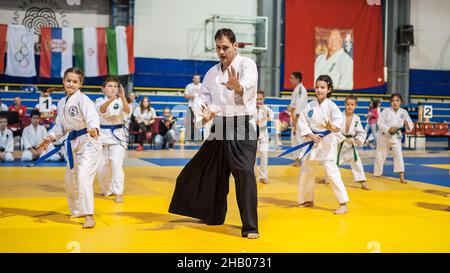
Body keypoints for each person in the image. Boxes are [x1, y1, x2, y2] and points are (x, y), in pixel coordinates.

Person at [169, 28, 260, 239]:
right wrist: (205, 112)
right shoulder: (211, 73)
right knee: (206, 171)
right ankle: (214, 214)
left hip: (242, 125)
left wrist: (238, 86)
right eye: (218, 47)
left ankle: (250, 226)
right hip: (220, 125)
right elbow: (204, 99)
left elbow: (248, 86)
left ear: (235, 46)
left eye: (225, 47)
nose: (221, 51)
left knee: (244, 173)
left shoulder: (247, 65)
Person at [36, 67, 101, 229]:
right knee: (69, 180)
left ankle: (89, 215)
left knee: (83, 177)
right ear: (63, 82)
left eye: (75, 82)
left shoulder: (83, 100)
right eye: (68, 81)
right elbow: (60, 126)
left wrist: (93, 128)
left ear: (80, 84)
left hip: (89, 142)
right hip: (73, 142)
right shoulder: (62, 102)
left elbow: (92, 117)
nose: (71, 84)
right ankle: (77, 209)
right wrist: (50, 137)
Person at [296, 75, 349, 214]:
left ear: (329, 89)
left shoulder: (332, 106)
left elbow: (338, 125)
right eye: (317, 87)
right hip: (312, 140)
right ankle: (307, 199)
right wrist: (310, 134)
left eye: (323, 87)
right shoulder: (309, 105)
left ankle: (343, 203)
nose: (319, 90)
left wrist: (332, 126)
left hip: (327, 141)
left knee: (331, 172)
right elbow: (302, 121)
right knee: (307, 170)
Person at [95, 76, 130, 203]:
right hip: (102, 136)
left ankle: (118, 192)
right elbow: (102, 110)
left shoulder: (121, 101)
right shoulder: (99, 100)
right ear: (103, 89)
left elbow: (127, 110)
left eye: (115, 86)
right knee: (102, 166)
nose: (113, 88)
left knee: (116, 164)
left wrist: (123, 97)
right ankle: (107, 190)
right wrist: (112, 99)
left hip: (118, 135)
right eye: (110, 86)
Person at [373, 93, 413, 184]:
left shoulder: (404, 112)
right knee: (380, 155)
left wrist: (408, 125)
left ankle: (402, 177)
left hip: (396, 137)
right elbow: (379, 123)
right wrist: (388, 129)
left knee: (399, 155)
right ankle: (376, 174)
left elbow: (410, 124)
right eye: (393, 101)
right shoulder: (386, 111)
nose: (395, 103)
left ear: (401, 102)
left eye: (397, 101)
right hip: (384, 136)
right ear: (390, 102)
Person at [336, 95, 369, 190]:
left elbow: (361, 132)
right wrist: (344, 139)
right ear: (344, 105)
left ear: (356, 106)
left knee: (357, 162)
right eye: (348, 104)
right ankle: (328, 178)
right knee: (333, 163)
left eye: (352, 104)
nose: (350, 106)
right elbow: (335, 131)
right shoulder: (339, 116)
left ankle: (362, 182)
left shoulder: (357, 119)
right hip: (339, 145)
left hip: (350, 145)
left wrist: (359, 140)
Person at [289, 71, 308, 162]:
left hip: (299, 119)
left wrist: (296, 121)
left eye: (292, 78)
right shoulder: (297, 89)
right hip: (295, 119)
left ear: (297, 79)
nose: (290, 80)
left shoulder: (300, 90)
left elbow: (299, 107)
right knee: (295, 140)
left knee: (299, 140)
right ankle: (297, 160)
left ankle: (302, 160)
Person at [256, 90, 274, 184]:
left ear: (264, 99)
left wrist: (265, 118)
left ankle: (263, 176)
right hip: (252, 135)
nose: (258, 101)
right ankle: (252, 175)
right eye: (257, 99)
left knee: (264, 155)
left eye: (260, 99)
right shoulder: (251, 108)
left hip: (263, 136)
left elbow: (272, 116)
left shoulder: (266, 108)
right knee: (251, 157)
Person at [184, 74, 202, 141]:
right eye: (195, 78)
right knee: (190, 122)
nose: (196, 79)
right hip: (191, 106)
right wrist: (193, 96)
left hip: (199, 107)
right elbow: (185, 96)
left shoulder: (202, 86)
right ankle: (190, 138)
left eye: (198, 78)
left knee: (199, 122)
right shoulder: (189, 86)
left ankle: (199, 137)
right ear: (193, 79)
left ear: (199, 79)